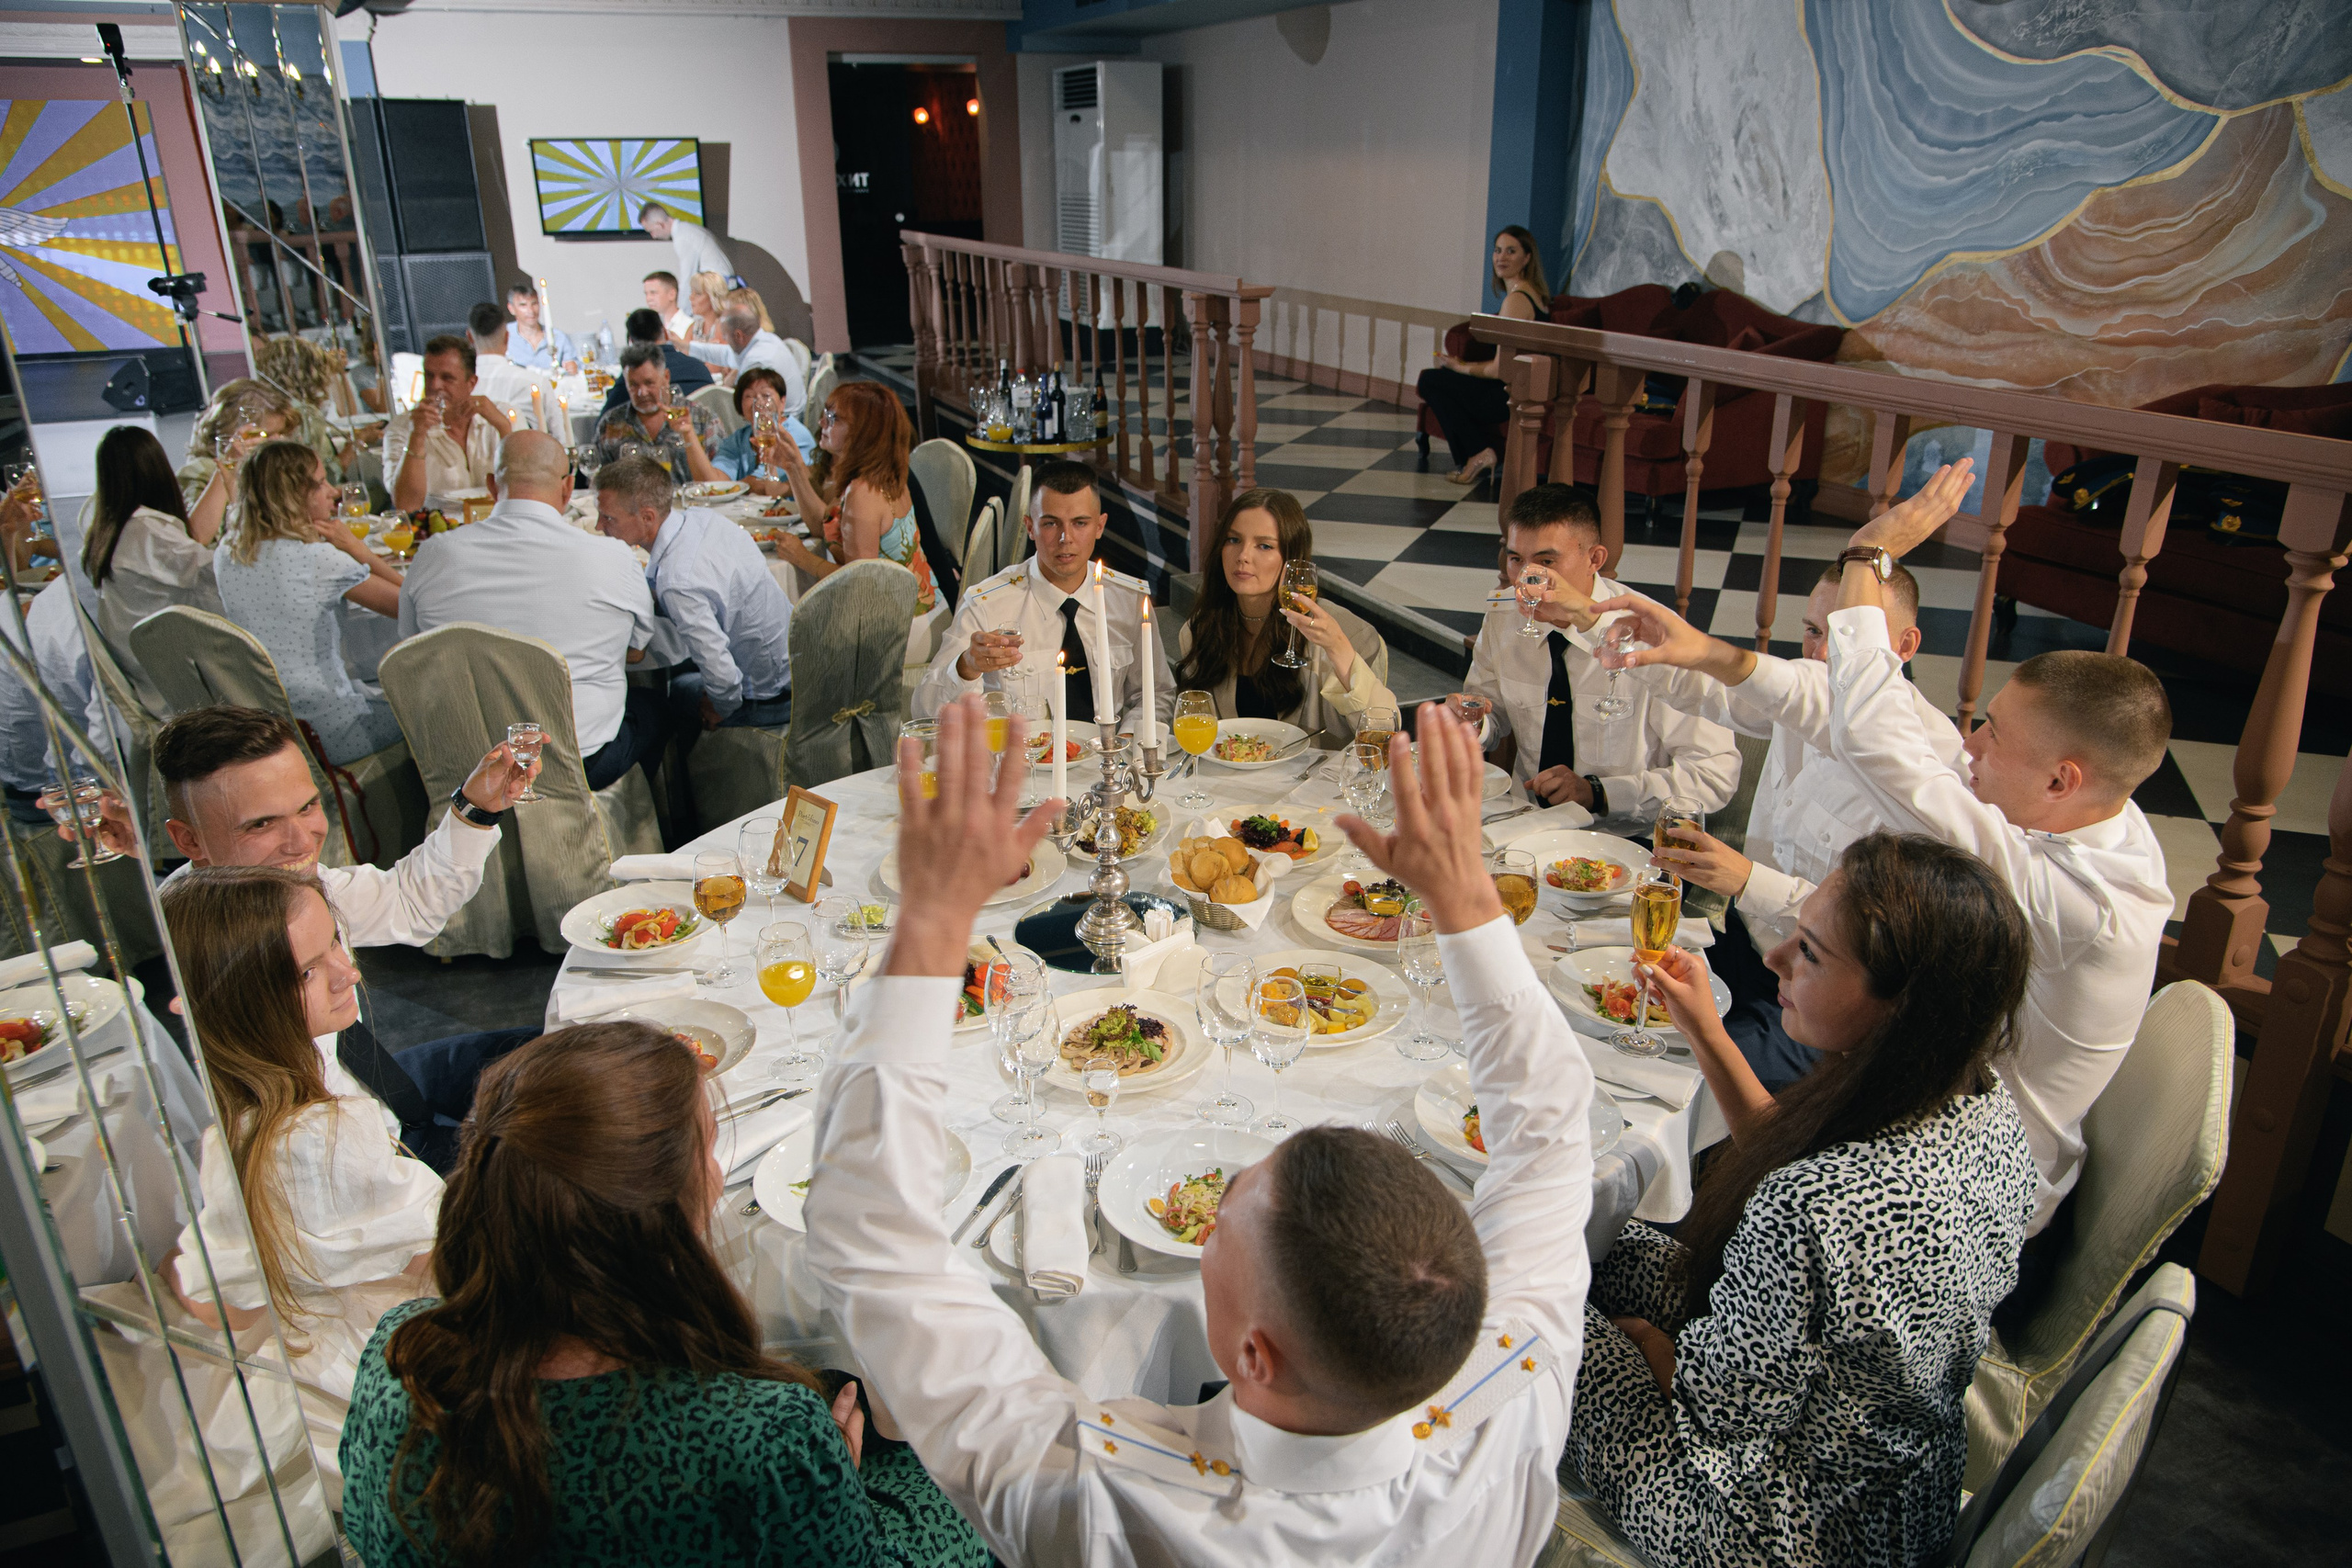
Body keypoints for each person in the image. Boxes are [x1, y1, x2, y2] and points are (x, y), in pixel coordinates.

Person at [806, 697, 1597, 1563]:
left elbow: (870, 1244)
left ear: (1254, 1354)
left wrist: (929, 918)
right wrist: (1467, 899)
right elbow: (1552, 1133)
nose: (1215, 1207)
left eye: (1224, 1216)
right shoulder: (1515, 1394)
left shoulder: (1108, 1502)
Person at [1597, 458, 2173, 1245]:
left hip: (1951, 1197)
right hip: (1914, 1094)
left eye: (1993, 733)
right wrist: (1695, 649)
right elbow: (1826, 708)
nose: (1968, 745)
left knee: (1645, 1094)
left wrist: (1873, 550)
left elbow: (1871, 730)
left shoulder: (2081, 901)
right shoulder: (2106, 818)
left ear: (2062, 779)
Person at [340, 1021, 992, 1567]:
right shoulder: (759, 1442)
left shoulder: (396, 1363)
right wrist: (881, 1461)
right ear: (658, 1218)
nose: (716, 1174)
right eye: (708, 1150)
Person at [1565, 832, 2040, 1567]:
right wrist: (1701, 1028)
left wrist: (1650, 1345)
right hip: (1900, 1494)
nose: (1775, 958)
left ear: (1898, 1005)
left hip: (1774, 1532)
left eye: (1810, 952)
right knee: (1594, 1238)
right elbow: (1789, 1155)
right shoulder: (1981, 1101)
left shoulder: (1817, 1206)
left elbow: (1714, 1418)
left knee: (1526, 1303)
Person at [94, 705, 537, 1166]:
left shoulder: (287, 882)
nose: (302, 841)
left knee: (567, 1044)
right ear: (189, 842)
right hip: (359, 1152)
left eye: (307, 807)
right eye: (261, 824)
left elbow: (408, 901)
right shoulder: (216, 950)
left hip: (379, 1087)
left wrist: (477, 807)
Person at [157, 863, 445, 1506]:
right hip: (371, 1364)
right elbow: (445, 1254)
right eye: (310, 971)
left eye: (336, 942)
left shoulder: (263, 1090)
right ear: (242, 998)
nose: (350, 972)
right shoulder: (316, 1136)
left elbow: (222, 1290)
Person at [1449, 483, 1737, 822]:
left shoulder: (1652, 635)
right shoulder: (1503, 619)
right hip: (1524, 824)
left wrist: (1600, 793)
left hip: (1623, 835)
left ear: (1594, 559)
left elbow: (1715, 774)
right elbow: (1491, 715)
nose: (1525, 581)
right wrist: (1472, 722)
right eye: (1515, 560)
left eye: (1546, 561)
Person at [401, 431, 666, 793]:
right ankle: (627, 832)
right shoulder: (615, 557)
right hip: (579, 761)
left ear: (493, 486)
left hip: (469, 764)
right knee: (658, 704)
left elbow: (414, 653)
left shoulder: (432, 556)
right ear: (568, 487)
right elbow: (635, 653)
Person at [595, 455, 793, 831]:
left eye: (609, 519)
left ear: (648, 517)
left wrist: (721, 706)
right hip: (791, 661)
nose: (599, 527)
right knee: (681, 664)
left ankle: (686, 820)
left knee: (671, 696)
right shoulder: (703, 519)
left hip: (768, 696)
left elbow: (723, 676)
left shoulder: (677, 579)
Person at [917, 459, 1171, 730]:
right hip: (1025, 764)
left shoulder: (1128, 599)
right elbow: (925, 710)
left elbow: (1156, 695)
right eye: (1051, 524)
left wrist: (1127, 742)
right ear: (1029, 527)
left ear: (1100, 526)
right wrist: (966, 666)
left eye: (1080, 523)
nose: (1066, 538)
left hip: (1107, 760)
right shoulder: (987, 605)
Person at [213, 441, 405, 766]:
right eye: (320, 483)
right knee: (435, 709)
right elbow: (413, 606)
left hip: (271, 725)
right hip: (328, 727)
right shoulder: (315, 559)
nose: (334, 491)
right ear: (293, 495)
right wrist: (360, 552)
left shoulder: (228, 552)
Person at [1172, 486, 1396, 741]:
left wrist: (1338, 648)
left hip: (1315, 779)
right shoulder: (1199, 631)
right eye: (1233, 540)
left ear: (1292, 559)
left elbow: (1383, 734)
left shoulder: (1352, 633)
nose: (1243, 556)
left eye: (1264, 546)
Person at [768, 380, 947, 611]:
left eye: (833, 418)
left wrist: (803, 558)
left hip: (905, 624)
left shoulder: (863, 492)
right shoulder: (880, 472)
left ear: (863, 432)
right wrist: (792, 466)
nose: (822, 422)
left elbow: (859, 584)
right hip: (921, 609)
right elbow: (823, 527)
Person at [83, 425, 223, 705]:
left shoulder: (106, 529)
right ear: (157, 470)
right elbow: (220, 571)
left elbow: (191, 544)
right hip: (179, 685)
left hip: (148, 675)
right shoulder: (144, 530)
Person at [1416, 226, 1549, 486]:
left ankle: (1478, 452)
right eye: (1498, 250)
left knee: (1430, 381)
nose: (1502, 257)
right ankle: (1476, 452)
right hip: (1518, 387)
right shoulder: (1533, 294)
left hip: (1509, 395)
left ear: (1527, 258)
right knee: (1441, 379)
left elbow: (1502, 370)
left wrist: (1462, 368)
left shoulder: (1517, 301)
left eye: (1511, 251)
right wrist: (1462, 366)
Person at [381, 335, 512, 513]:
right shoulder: (402, 428)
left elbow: (529, 488)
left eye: (447, 378)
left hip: (499, 524)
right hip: (437, 531)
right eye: (429, 376)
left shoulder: (501, 416)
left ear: (471, 383)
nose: (435, 385)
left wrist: (504, 427)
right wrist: (417, 436)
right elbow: (406, 505)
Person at [179, 378, 300, 543]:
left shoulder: (267, 467)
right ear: (235, 431)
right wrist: (230, 463)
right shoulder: (199, 470)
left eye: (282, 433)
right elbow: (197, 538)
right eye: (268, 434)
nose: (279, 441)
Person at [593, 343, 723, 483]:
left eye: (649, 383)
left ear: (666, 377)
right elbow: (599, 482)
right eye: (633, 385)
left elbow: (719, 482)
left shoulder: (701, 418)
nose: (642, 392)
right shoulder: (611, 424)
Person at [594, 307, 713, 421]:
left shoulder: (634, 381)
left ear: (631, 341)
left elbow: (604, 424)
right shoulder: (699, 367)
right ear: (666, 333)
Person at [708, 367, 817, 491]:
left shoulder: (794, 435)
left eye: (766, 395)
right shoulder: (740, 438)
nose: (759, 402)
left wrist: (733, 488)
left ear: (782, 401)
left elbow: (762, 485)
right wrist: (689, 434)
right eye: (749, 396)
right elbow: (716, 481)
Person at [713, 290, 806, 407]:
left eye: (728, 314)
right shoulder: (769, 339)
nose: (723, 318)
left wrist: (731, 379)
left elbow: (739, 405)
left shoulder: (758, 358)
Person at [465, 299, 557, 412]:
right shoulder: (537, 383)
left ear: (469, 337)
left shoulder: (461, 388)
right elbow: (557, 428)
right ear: (507, 337)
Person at [639, 202, 735, 295]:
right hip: (723, 286)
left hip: (718, 290)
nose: (653, 236)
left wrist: (682, 311)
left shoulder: (682, 237)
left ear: (660, 225)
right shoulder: (689, 229)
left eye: (651, 231)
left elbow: (688, 279)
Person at [502, 276, 577, 373]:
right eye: (523, 305)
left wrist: (573, 369)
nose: (531, 311)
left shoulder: (558, 337)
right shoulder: (504, 337)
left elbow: (575, 369)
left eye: (534, 304)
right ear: (511, 308)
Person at [677, 270, 736, 370]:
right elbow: (683, 362)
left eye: (698, 294)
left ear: (713, 297)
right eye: (692, 292)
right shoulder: (693, 327)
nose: (691, 298)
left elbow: (715, 368)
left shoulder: (725, 327)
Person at [643, 269, 692, 340]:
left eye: (653, 293)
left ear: (671, 294)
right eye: (646, 294)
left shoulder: (688, 326)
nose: (648, 298)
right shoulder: (649, 327)